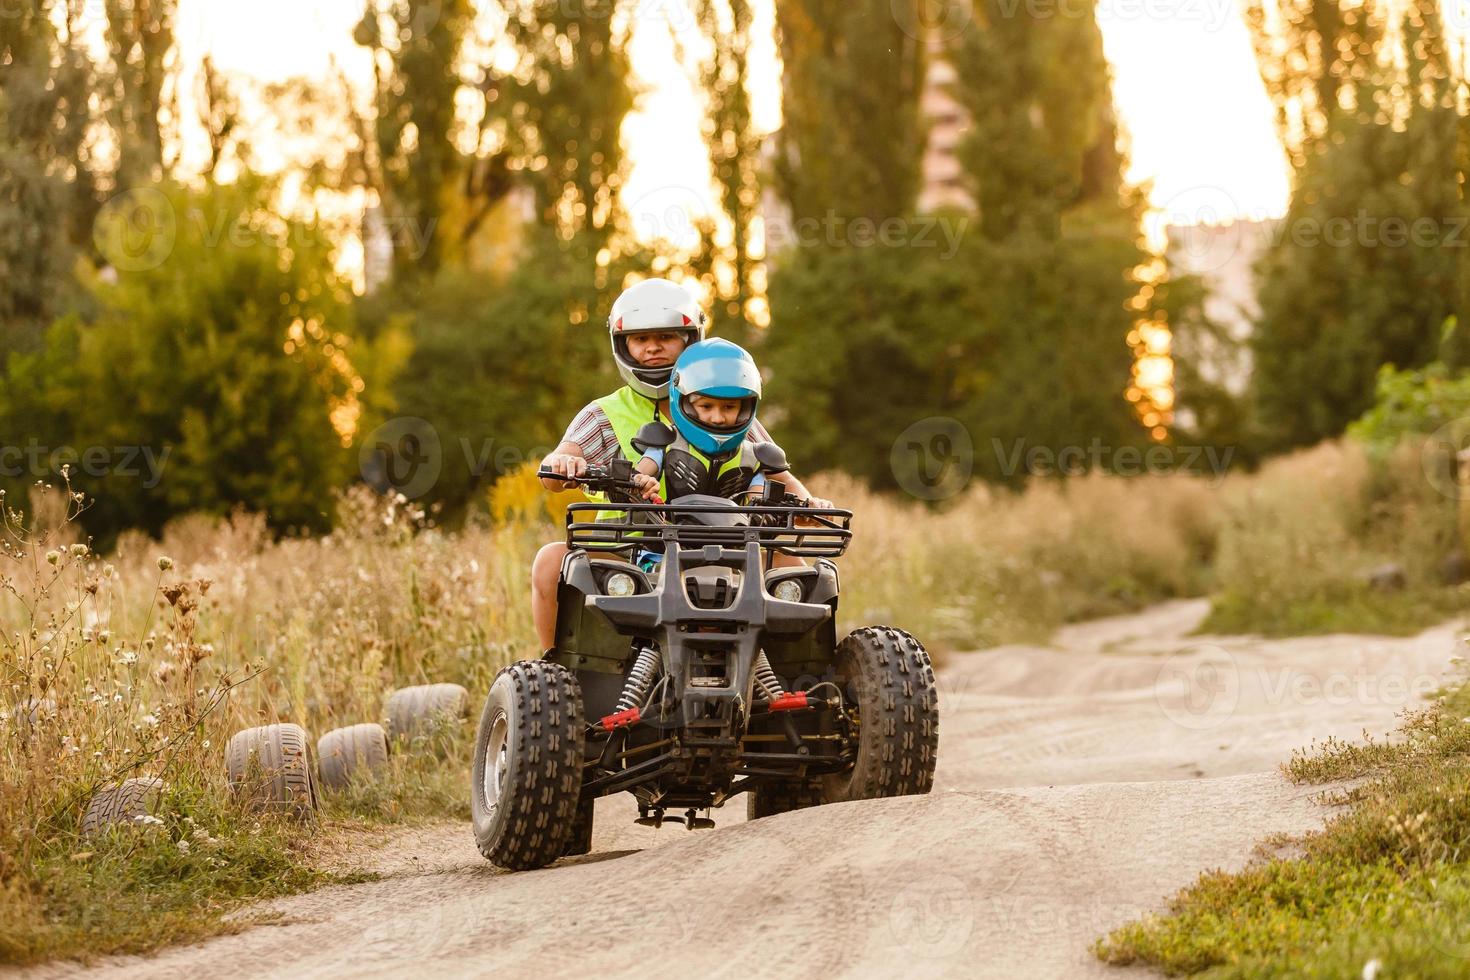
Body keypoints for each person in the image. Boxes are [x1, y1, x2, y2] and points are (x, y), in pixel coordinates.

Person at [533, 278, 831, 652]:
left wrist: (810, 505)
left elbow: (778, 475)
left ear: (690, 339)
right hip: (626, 548)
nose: (653, 347)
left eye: (667, 337)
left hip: (727, 546)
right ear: (622, 344)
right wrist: (562, 463)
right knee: (550, 561)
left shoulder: (727, 407)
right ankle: (553, 672)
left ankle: (806, 675)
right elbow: (562, 461)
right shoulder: (603, 413)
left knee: (800, 568)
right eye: (640, 339)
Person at [628, 337, 781, 504]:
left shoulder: (754, 457)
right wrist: (640, 482)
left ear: (745, 409)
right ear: (684, 402)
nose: (718, 418)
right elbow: (635, 479)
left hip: (733, 530)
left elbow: (759, 502)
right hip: (666, 529)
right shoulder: (665, 443)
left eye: (729, 407)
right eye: (706, 406)